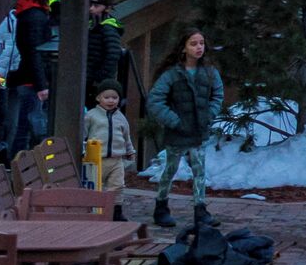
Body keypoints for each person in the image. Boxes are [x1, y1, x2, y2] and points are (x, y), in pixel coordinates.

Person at [147, 29, 225, 226]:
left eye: (201, 43)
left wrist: (209, 114)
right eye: (193, 43)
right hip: (178, 133)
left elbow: (218, 95)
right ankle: (161, 206)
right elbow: (155, 100)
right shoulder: (172, 74)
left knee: (199, 171)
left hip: (199, 130)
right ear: (183, 48)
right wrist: (174, 121)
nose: (199, 47)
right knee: (170, 170)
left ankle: (200, 209)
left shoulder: (209, 72)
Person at [82, 85, 135, 193]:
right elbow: (83, 134)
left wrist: (130, 151)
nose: (111, 101)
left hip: (116, 159)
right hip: (96, 159)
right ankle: (95, 207)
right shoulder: (91, 115)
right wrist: (83, 150)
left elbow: (126, 136)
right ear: (98, 98)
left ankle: (116, 208)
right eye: (106, 98)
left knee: (117, 186)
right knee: (95, 187)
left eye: (114, 98)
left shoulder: (121, 117)